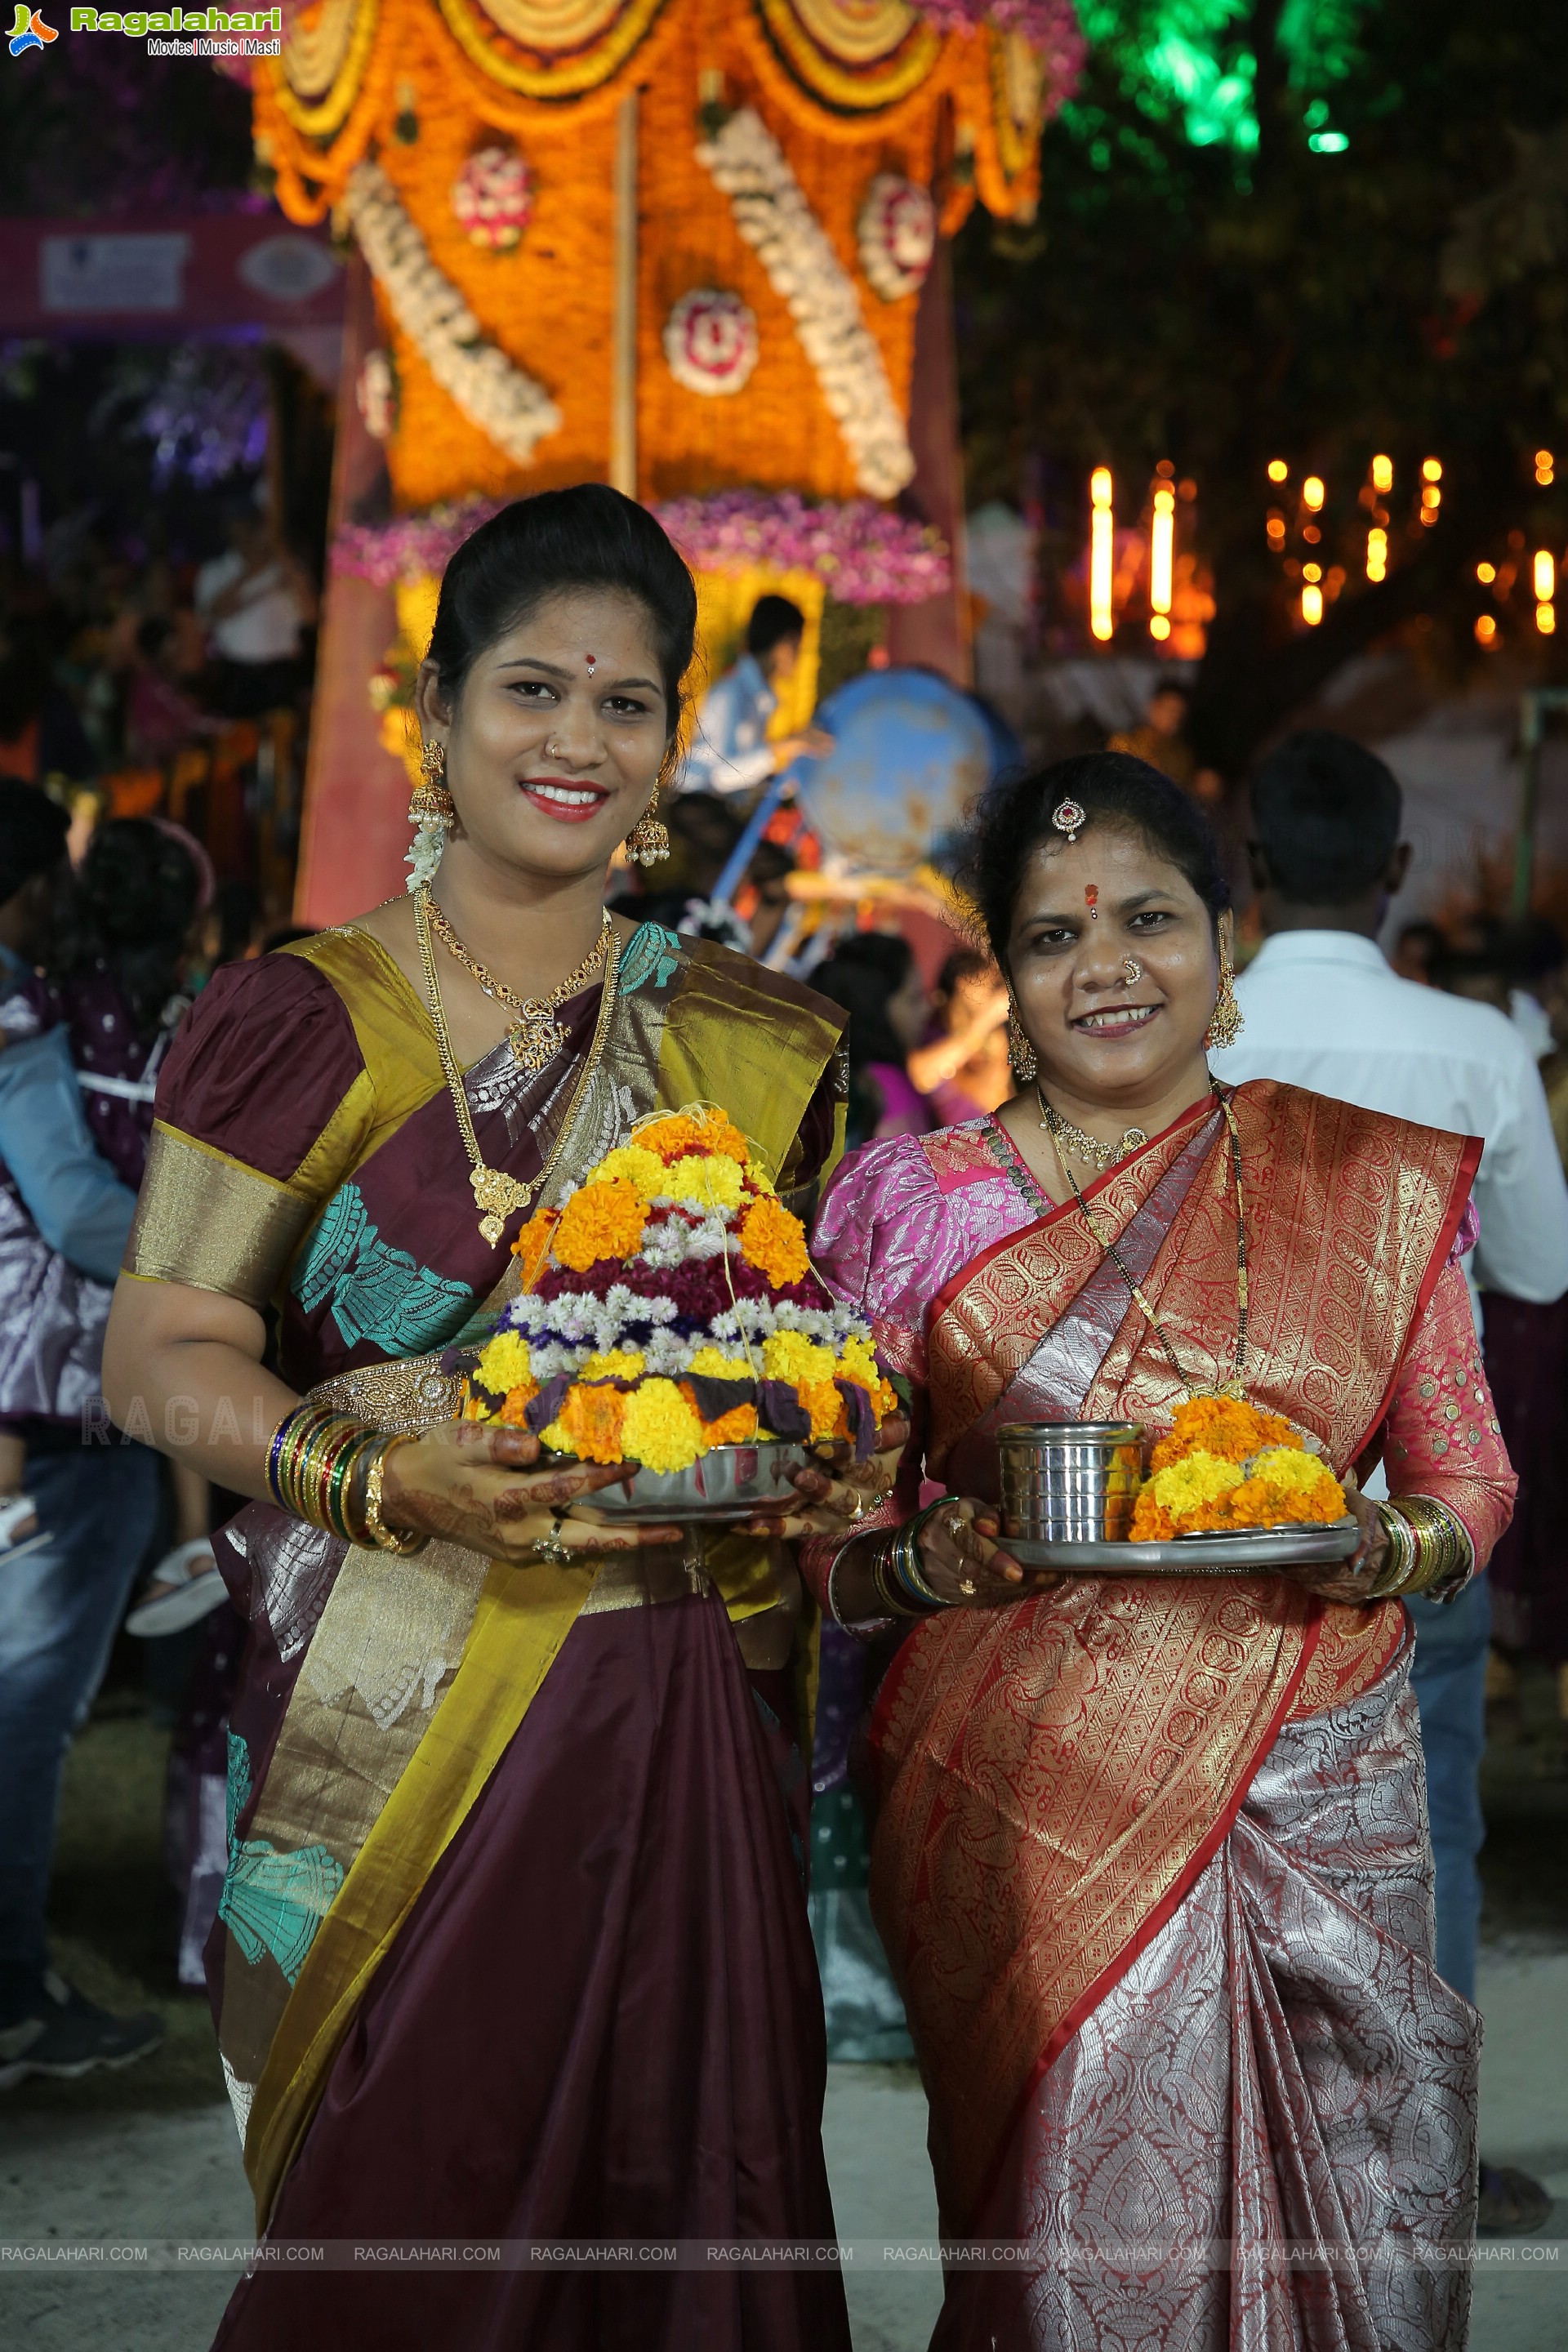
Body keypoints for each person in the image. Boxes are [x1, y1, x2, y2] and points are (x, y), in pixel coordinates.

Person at [102, 486, 874, 2349]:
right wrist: (380, 1480)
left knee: (689, 2198)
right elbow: (161, 1355)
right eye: (533, 689)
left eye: (625, 703)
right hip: (397, 1709)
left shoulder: (760, 1044)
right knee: (416, 2201)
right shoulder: (308, 1018)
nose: (578, 741)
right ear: (434, 716)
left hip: (682, 1716)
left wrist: (847, 1459)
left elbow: (806, 1354)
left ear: (673, 742)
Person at [804, 751, 1510, 2347]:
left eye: (1149, 917)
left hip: (1322, 1752)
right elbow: (829, 1548)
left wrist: (1379, 1549)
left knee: (1357, 2199)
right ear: (1002, 973)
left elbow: (1467, 1477)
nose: (1107, 963)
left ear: (1223, 935)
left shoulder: (1368, 1178)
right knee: (1075, 2236)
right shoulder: (912, 1206)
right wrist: (923, 1564)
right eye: (1052, 937)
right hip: (1027, 1792)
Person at [1209, 728, 1568, 2235]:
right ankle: (1423, 2148)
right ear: (1400, 871)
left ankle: (1242, 2147)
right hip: (1417, 1487)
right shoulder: (1480, 1047)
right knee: (1433, 1819)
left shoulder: (1191, 1035)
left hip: (1213, 1487)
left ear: (1245, 870)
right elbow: (1544, 1264)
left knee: (1227, 1815)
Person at [0, 783, 164, 2088]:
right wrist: (213, 1262)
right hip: (52, 1403)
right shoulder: (19, 1009)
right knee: (28, 1710)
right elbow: (73, 1211)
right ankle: (13, 1996)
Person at [680, 592, 833, 797]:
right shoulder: (731, 693)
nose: (798, 658)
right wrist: (785, 747)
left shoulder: (757, 695)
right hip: (696, 804)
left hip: (716, 802)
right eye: (798, 647)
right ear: (784, 644)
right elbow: (720, 774)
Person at [194, 500, 317, 721]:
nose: (245, 533)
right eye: (237, 525)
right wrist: (253, 573)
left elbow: (310, 616)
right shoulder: (215, 571)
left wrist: (284, 560)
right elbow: (212, 614)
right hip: (236, 676)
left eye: (250, 525)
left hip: (281, 675)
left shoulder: (286, 568)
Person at [813, 931, 930, 1147]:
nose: (926, 1009)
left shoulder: (843, 1077)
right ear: (874, 1008)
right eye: (914, 999)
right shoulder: (889, 1087)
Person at [909, 946, 1012, 1123]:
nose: (991, 994)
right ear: (965, 983)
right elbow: (921, 1074)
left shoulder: (993, 1038)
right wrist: (985, 1020)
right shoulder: (933, 1030)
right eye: (989, 984)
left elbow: (996, 1099)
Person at [1107, 677, 1221, 805]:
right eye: (1171, 711)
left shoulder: (1182, 754)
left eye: (1180, 713)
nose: (1175, 719)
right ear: (1153, 708)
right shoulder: (1126, 743)